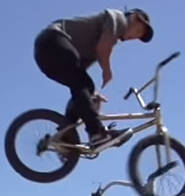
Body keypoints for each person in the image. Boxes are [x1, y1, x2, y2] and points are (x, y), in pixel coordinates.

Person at [33, 8, 154, 150]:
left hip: (46, 57)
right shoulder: (118, 18)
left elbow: (81, 71)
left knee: (84, 86)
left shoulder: (100, 41)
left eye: (137, 37)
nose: (133, 37)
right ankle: (97, 134)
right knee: (82, 83)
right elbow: (103, 49)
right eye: (138, 31)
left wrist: (92, 95)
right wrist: (107, 71)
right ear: (133, 17)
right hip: (52, 40)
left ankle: (65, 135)